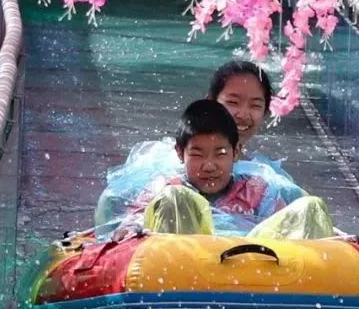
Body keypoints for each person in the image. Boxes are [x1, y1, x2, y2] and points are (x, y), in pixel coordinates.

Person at [114, 100, 304, 237]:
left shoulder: (258, 192)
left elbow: (287, 229)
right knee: (176, 197)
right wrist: (131, 228)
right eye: (197, 155)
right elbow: (134, 219)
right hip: (182, 273)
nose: (209, 166)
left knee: (310, 208)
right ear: (180, 153)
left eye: (220, 153)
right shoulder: (165, 189)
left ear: (236, 152)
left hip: (245, 272)